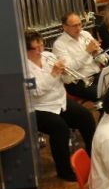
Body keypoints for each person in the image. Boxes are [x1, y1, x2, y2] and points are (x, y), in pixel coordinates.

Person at [24, 30, 96, 180]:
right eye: (36, 48)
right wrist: (53, 74)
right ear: (26, 49)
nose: (41, 50)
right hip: (41, 107)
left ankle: (93, 157)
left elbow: (66, 80)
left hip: (60, 101)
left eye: (42, 45)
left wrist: (65, 73)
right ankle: (64, 171)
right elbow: (36, 91)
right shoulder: (24, 68)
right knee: (60, 128)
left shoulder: (49, 56)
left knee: (86, 117)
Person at [52, 11, 105, 101]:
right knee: (105, 95)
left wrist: (97, 54)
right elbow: (68, 69)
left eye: (80, 24)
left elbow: (101, 58)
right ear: (65, 27)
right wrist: (87, 52)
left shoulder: (85, 34)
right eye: (74, 26)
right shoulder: (59, 45)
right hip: (77, 83)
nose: (78, 28)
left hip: (96, 74)